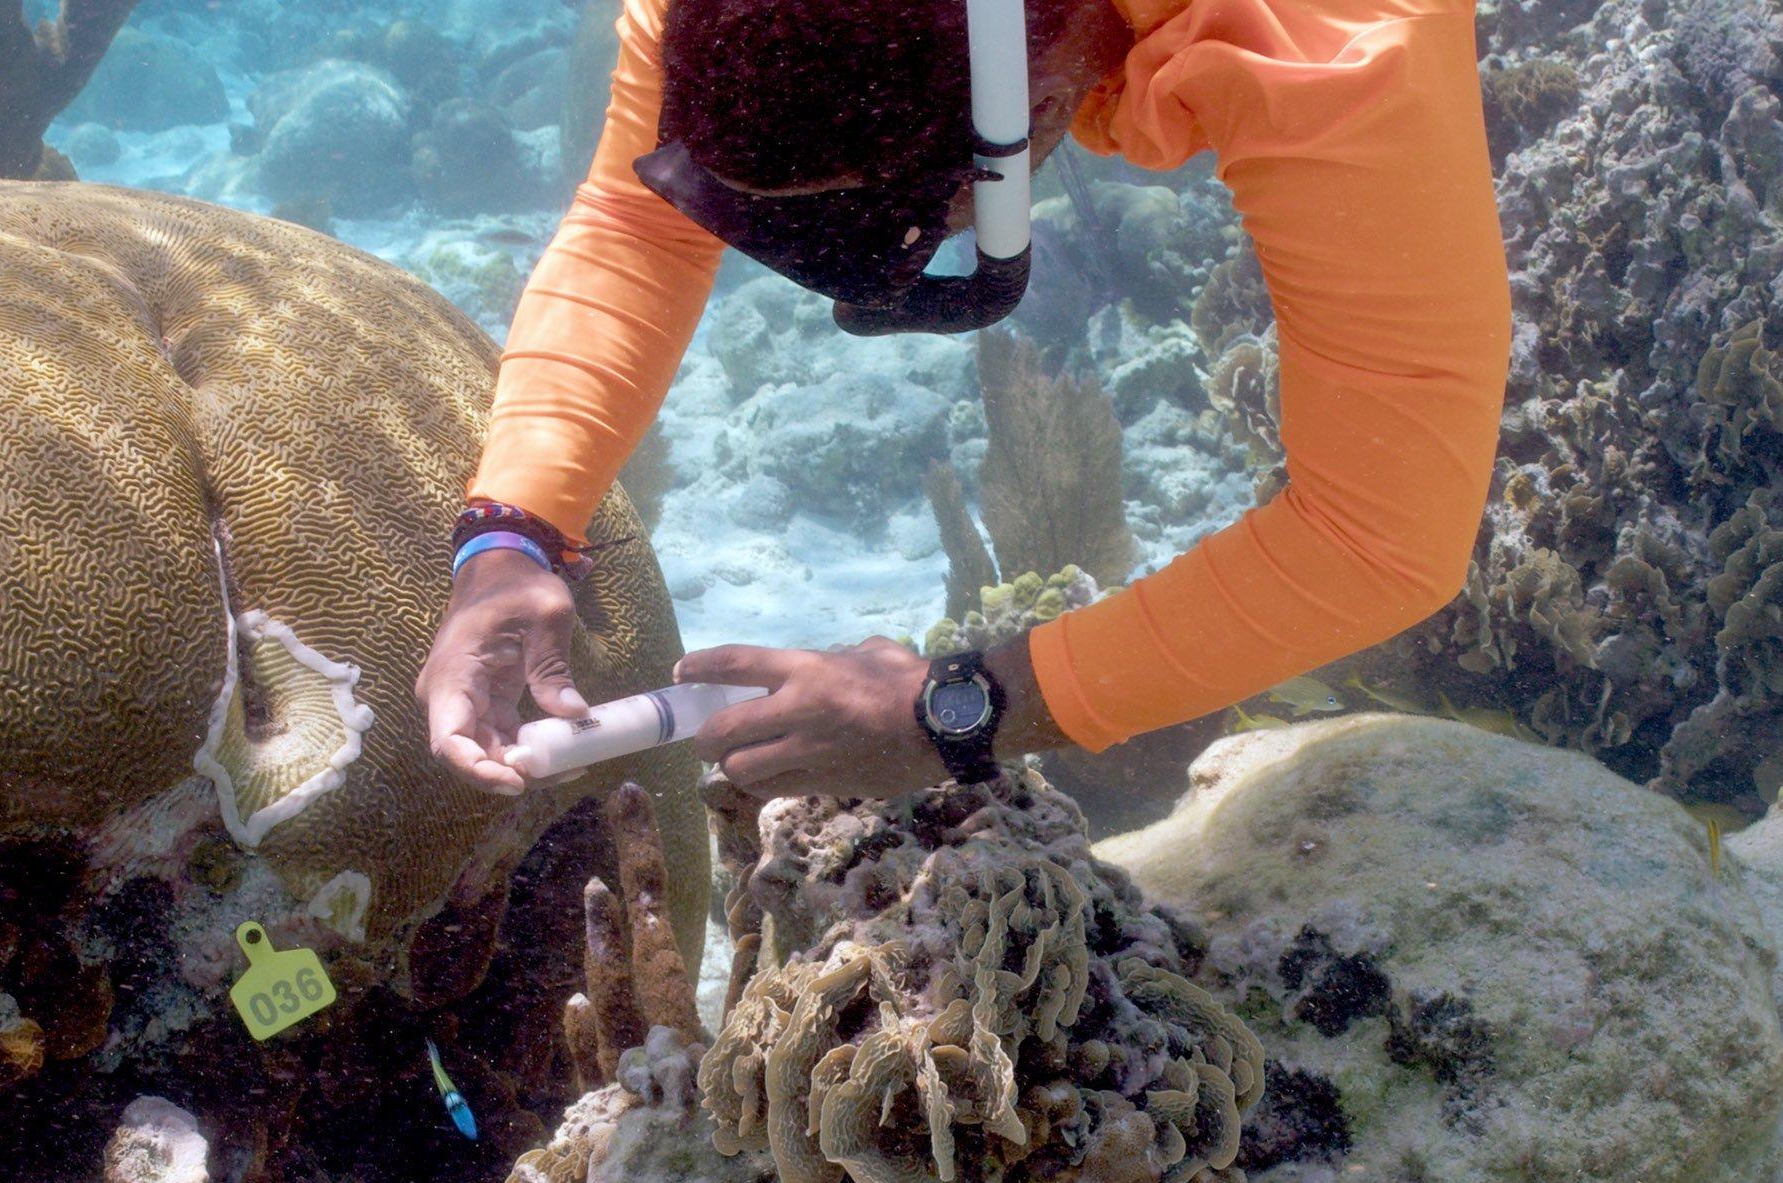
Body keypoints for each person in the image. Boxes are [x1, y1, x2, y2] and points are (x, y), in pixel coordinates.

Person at [414, 0, 1509, 800]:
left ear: (1028, 120)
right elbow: (637, 222)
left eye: (909, 230)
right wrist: (507, 532)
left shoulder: (1331, 38)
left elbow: (1379, 538)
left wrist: (953, 709)